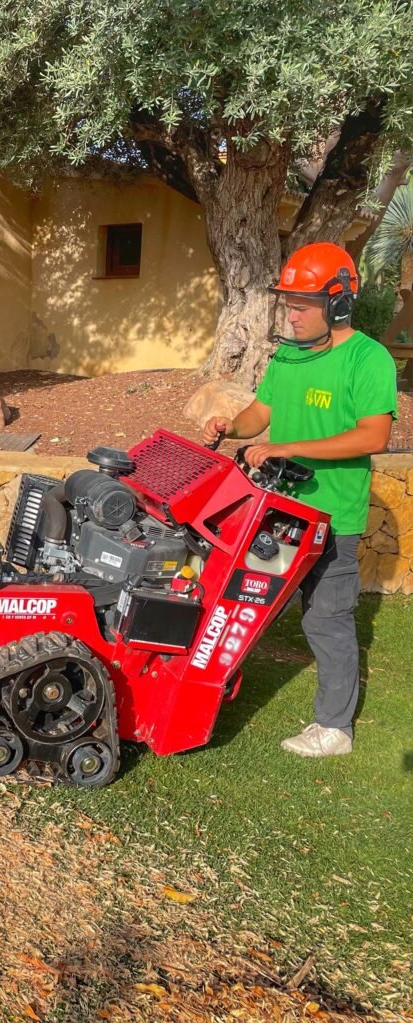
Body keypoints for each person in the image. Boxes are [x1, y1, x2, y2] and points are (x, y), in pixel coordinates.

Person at [202, 241, 397, 757]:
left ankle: (334, 729)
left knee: (325, 618)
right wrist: (230, 425)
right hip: (279, 512)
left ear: (337, 303)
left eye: (301, 305)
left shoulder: (367, 359)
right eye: (289, 303)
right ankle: (205, 691)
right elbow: (261, 415)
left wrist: (289, 447)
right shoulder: (288, 355)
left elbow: (374, 435)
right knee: (240, 601)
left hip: (332, 517)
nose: (291, 314)